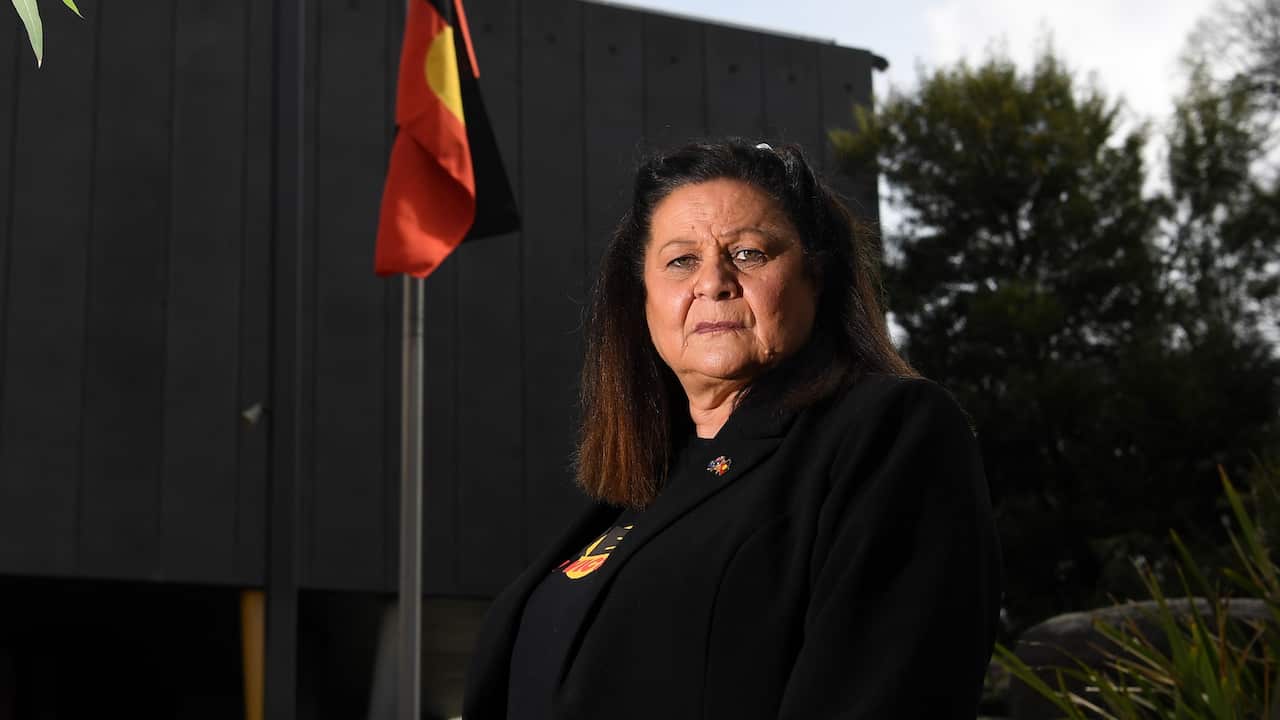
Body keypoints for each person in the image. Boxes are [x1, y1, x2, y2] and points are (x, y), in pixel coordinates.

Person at [463, 139, 1002, 718]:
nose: (713, 281)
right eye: (680, 260)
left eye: (748, 254)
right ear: (642, 297)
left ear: (815, 278)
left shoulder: (888, 433)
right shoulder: (644, 490)